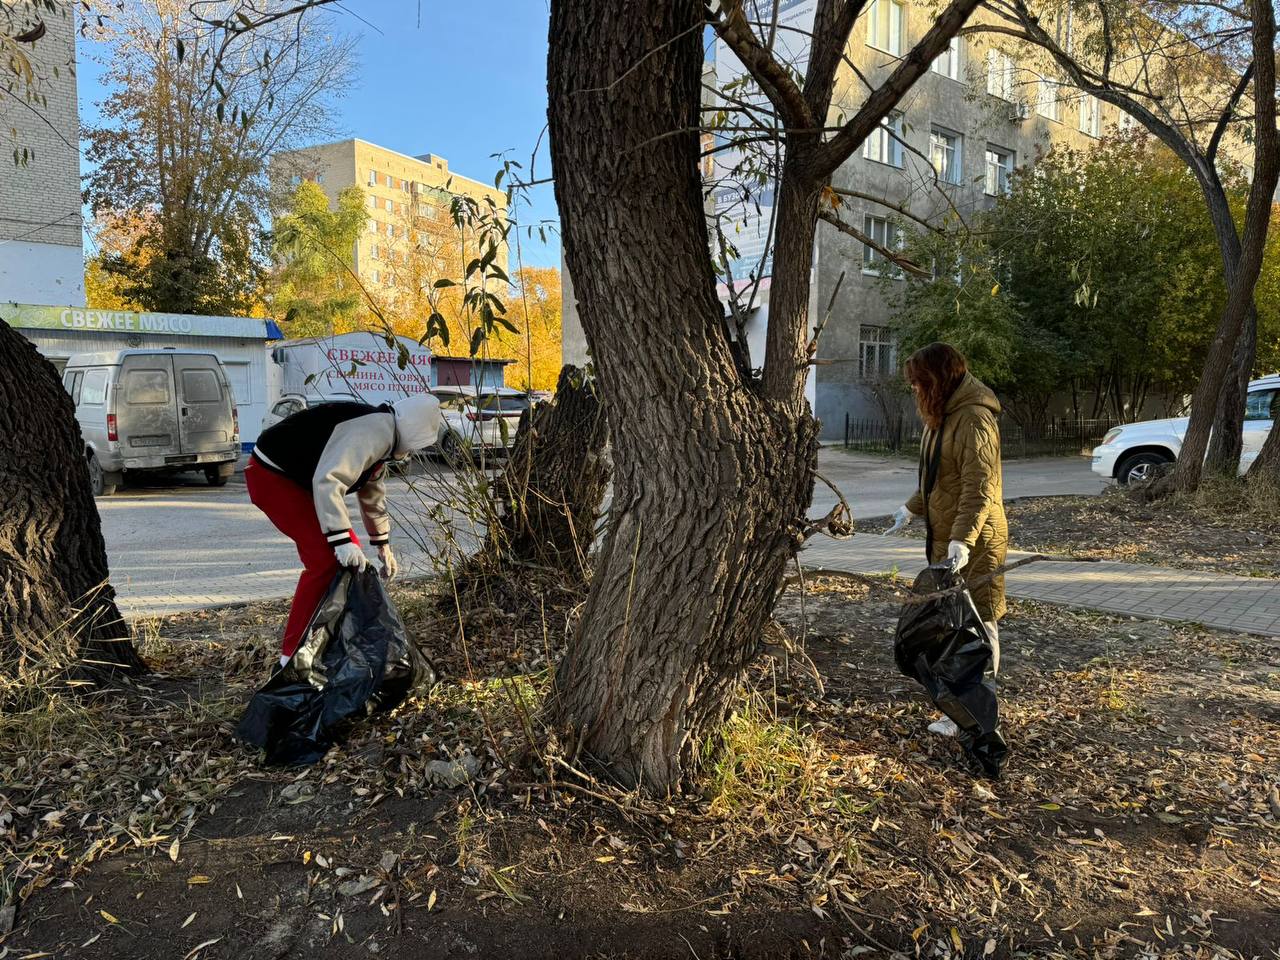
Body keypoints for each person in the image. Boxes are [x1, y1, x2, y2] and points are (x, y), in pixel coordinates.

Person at [246, 393, 442, 667]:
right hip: (272, 476)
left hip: (295, 480)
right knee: (325, 562)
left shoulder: (383, 434)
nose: (413, 452)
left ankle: (332, 642)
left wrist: (381, 544)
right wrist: (340, 540)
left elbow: (372, 492)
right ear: (414, 430)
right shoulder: (374, 431)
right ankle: (291, 658)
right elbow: (329, 480)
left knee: (351, 561)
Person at [884, 342, 1008, 736]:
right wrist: (911, 508)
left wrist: (963, 540)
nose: (916, 391)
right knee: (951, 627)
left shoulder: (973, 418)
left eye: (921, 383)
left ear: (939, 379)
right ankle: (956, 706)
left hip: (976, 541)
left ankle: (976, 714)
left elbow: (980, 487)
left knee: (978, 626)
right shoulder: (943, 415)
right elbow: (938, 479)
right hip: (950, 539)